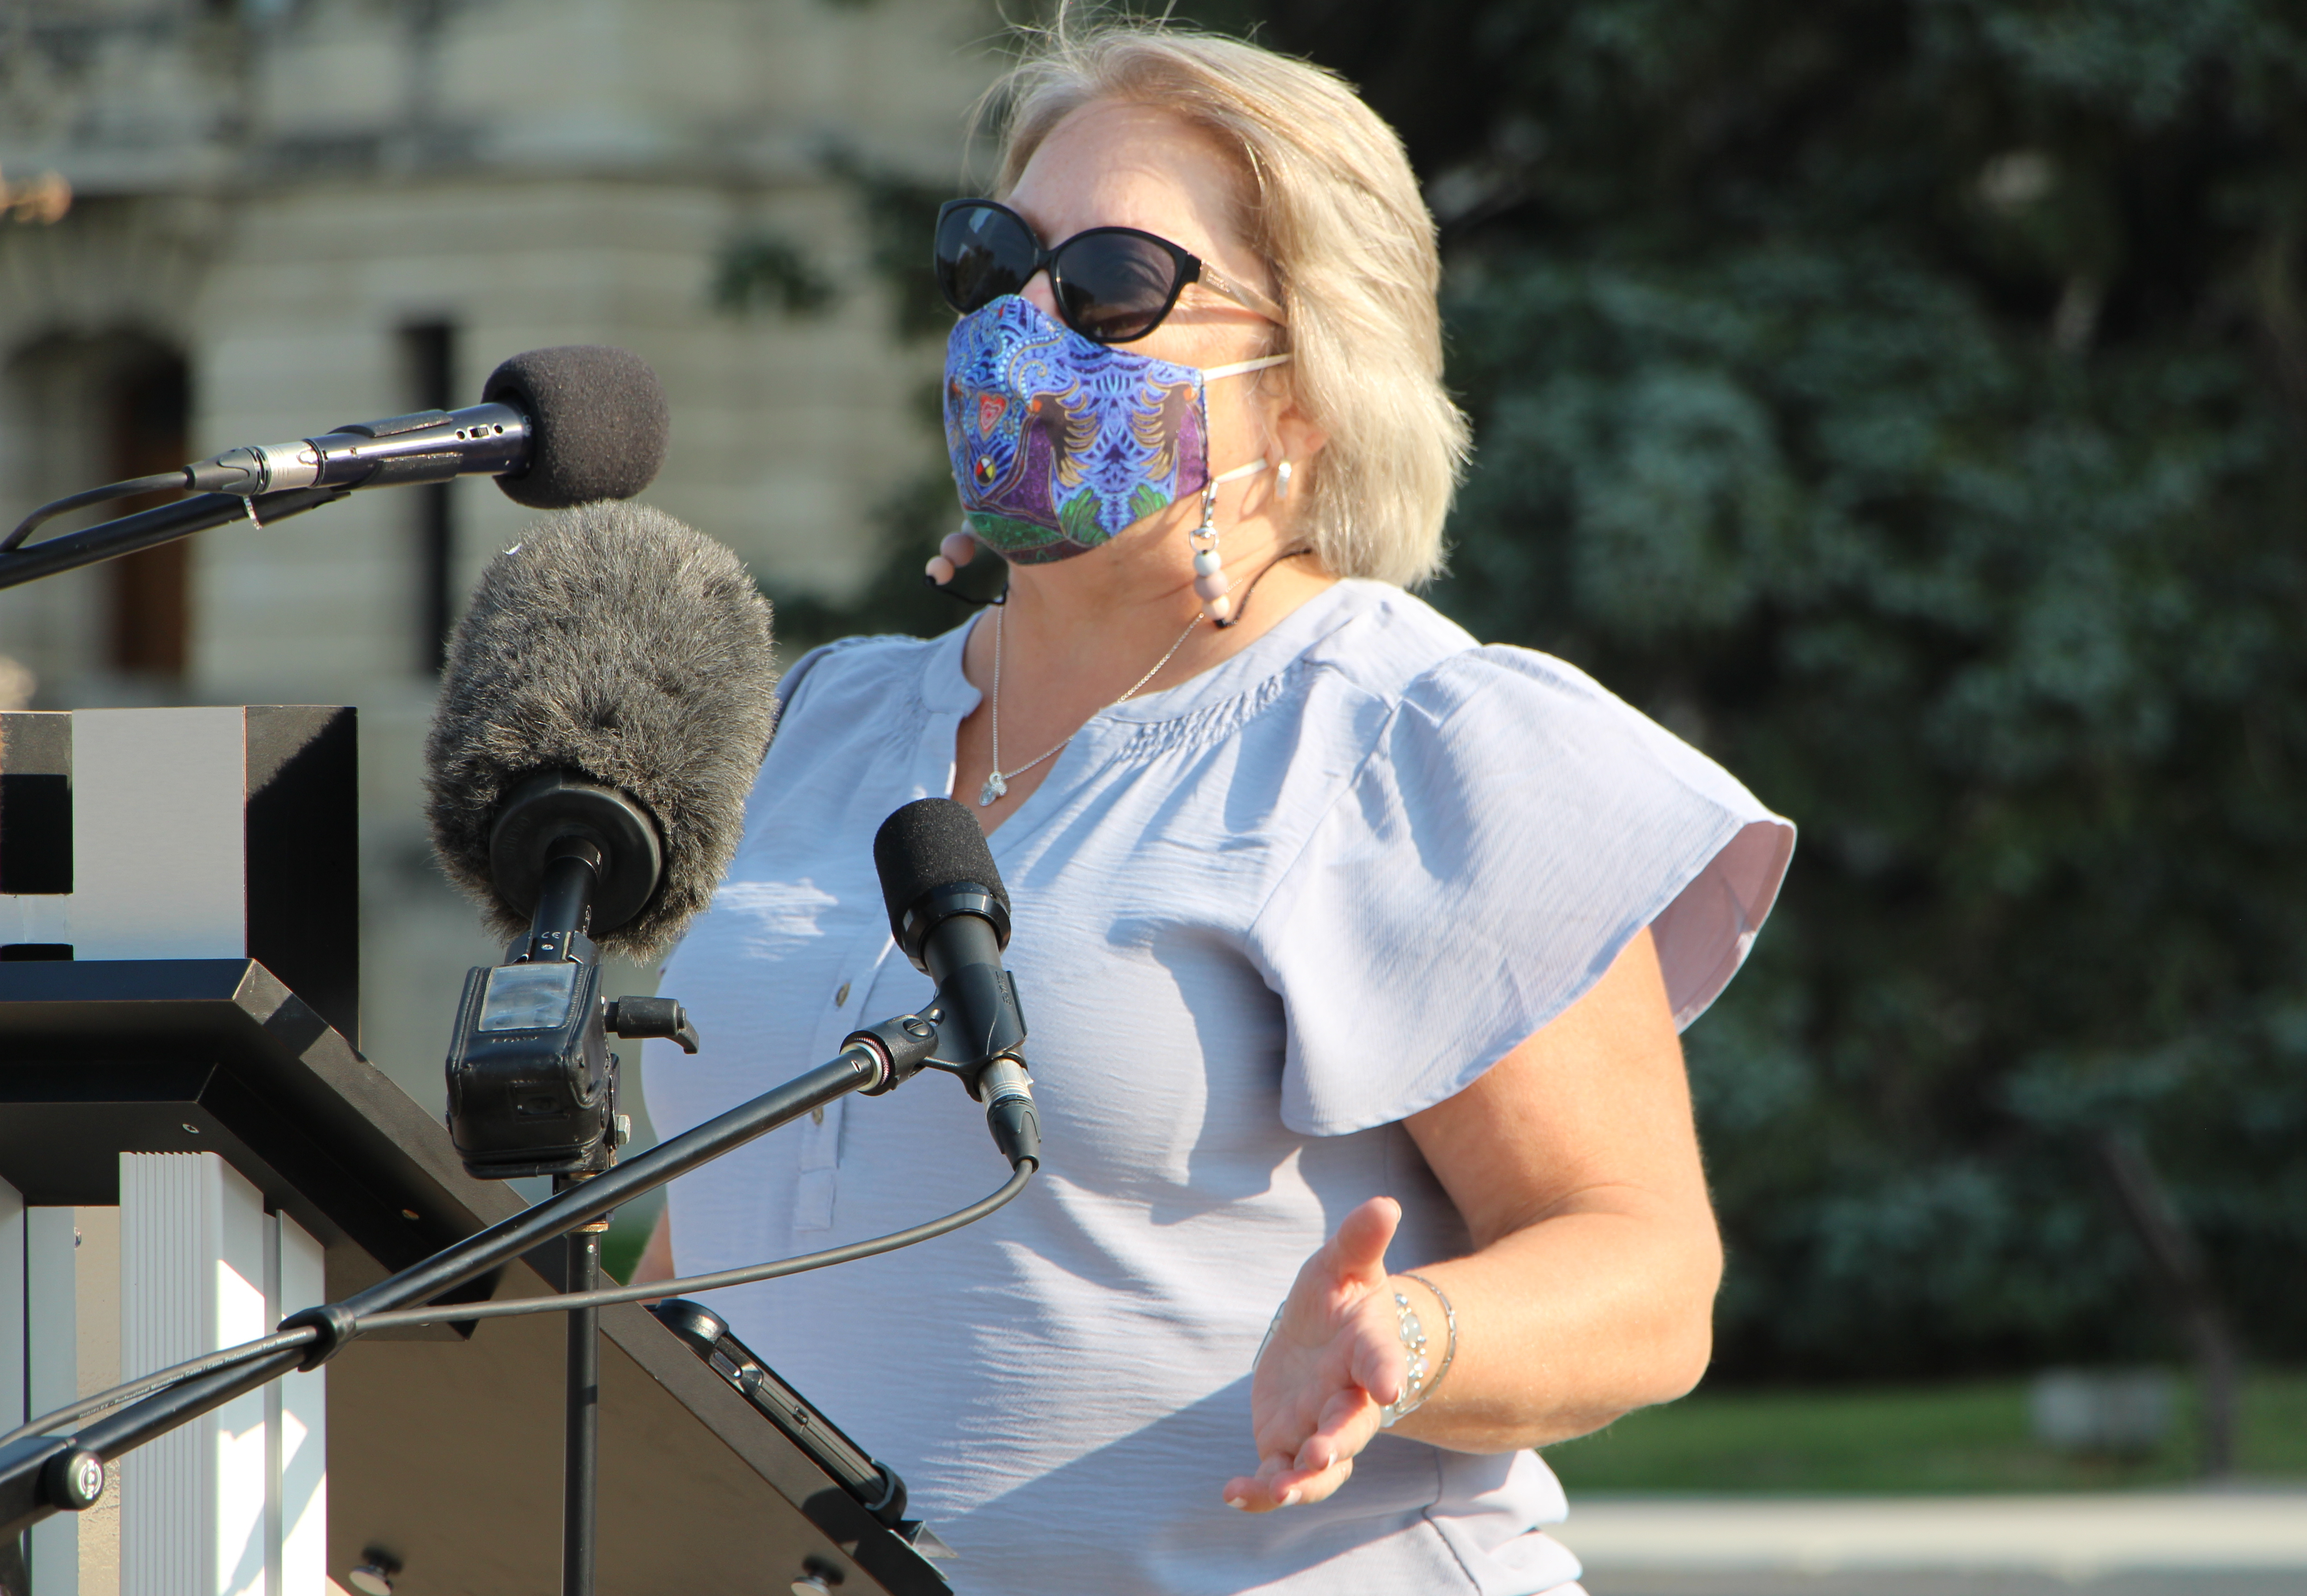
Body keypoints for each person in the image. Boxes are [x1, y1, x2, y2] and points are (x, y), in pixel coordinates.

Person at [636, 20, 1792, 1595]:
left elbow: (1647, 1275)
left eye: (1111, 283)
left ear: (1310, 387)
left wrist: (1409, 1334)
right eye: (992, 264)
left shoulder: (1410, 740)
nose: (1024, 325)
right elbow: (706, 1244)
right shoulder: (810, 726)